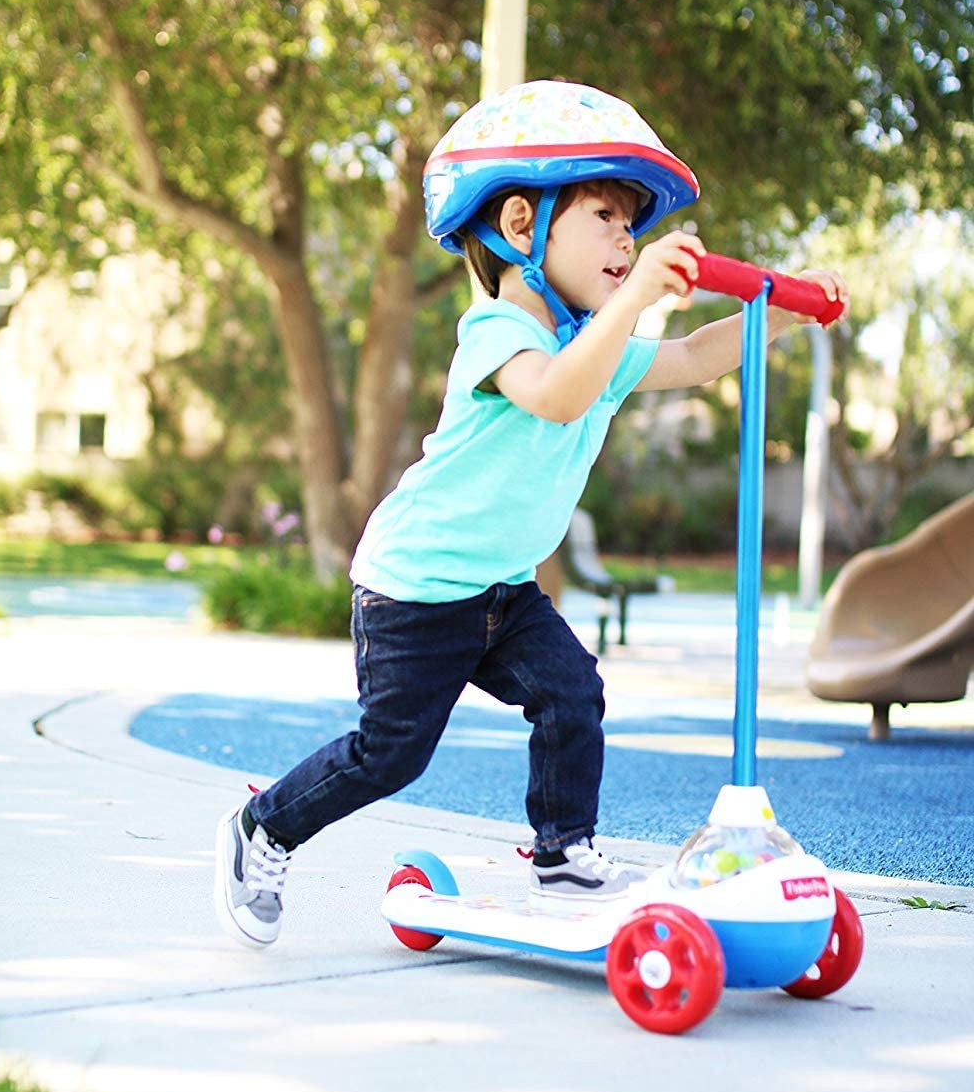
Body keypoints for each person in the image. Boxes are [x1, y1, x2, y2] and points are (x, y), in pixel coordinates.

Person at [214, 79, 847, 949]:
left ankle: (563, 852)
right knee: (391, 754)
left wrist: (777, 313)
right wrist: (635, 301)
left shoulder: (603, 345)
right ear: (523, 227)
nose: (628, 238)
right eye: (606, 216)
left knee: (571, 691)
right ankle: (264, 828)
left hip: (502, 592)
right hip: (416, 590)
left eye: (632, 222)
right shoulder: (498, 331)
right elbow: (553, 395)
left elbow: (699, 357)